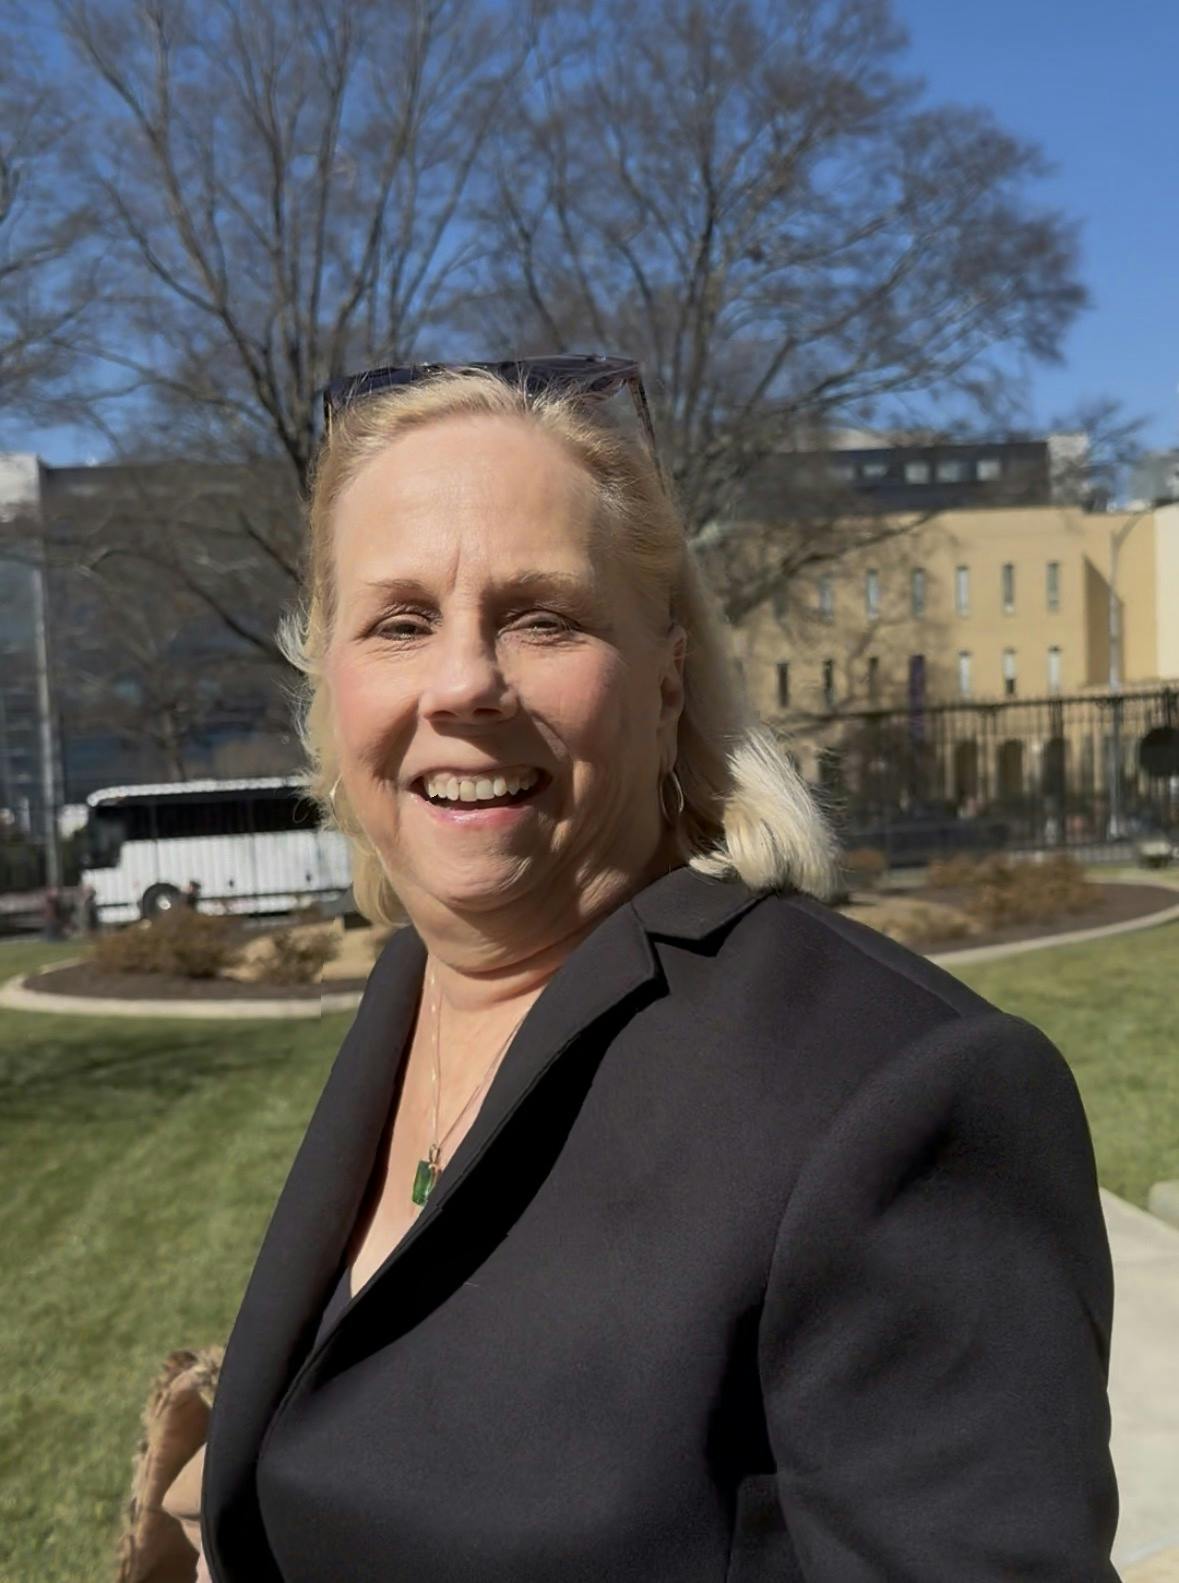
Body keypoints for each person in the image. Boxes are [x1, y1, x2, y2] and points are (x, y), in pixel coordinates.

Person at [198, 361, 1118, 1582]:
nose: (462, 680)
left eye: (542, 617)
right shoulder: (412, 989)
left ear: (669, 676)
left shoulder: (900, 1090)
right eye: (400, 621)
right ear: (332, 678)